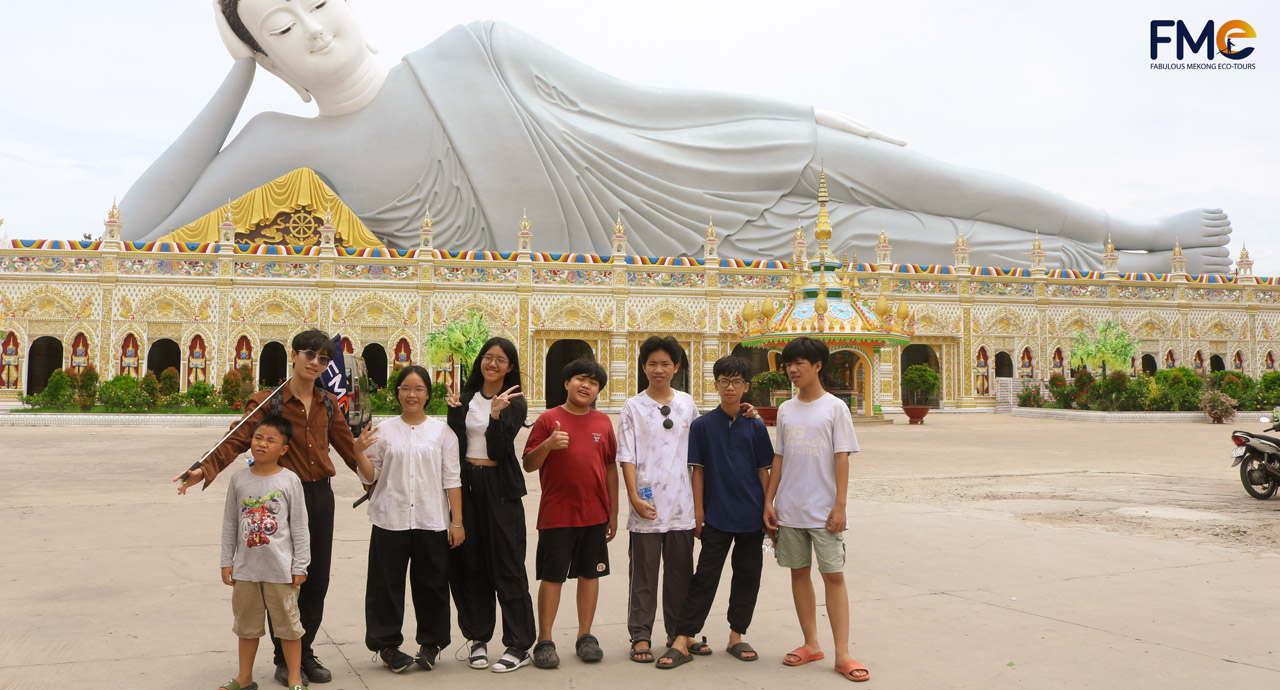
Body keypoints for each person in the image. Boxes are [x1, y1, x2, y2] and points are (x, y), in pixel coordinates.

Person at [117, 1, 1232, 273]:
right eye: (277, 30)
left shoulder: (475, 41)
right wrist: (230, 77)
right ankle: (1145, 267)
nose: (313, 27)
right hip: (649, 258)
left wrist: (792, 120)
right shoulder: (283, 140)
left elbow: (639, 104)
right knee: (932, 250)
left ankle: (1133, 225)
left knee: (926, 176)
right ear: (264, 53)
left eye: (308, 0)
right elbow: (144, 224)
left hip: (691, 159)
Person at [175, 328, 373, 688]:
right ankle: (284, 658)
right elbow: (237, 437)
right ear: (294, 355)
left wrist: (376, 483)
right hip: (280, 500)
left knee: (315, 579)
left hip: (319, 498)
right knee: (282, 580)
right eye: (309, 355)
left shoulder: (328, 403)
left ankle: (303, 651)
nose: (316, 363)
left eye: (324, 359)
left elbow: (350, 450)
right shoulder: (270, 401)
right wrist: (205, 468)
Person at [763, 337, 869, 683]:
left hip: (824, 511)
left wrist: (840, 505)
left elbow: (842, 459)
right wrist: (769, 500)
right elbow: (779, 457)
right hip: (790, 508)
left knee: (834, 576)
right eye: (788, 365)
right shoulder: (786, 410)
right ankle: (811, 643)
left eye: (799, 364)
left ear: (818, 366)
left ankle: (843, 653)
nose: (792, 370)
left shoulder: (835, 408)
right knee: (798, 572)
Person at [658, 355, 774, 669]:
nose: (730, 388)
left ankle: (737, 635)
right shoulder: (702, 426)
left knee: (748, 576)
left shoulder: (755, 425)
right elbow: (699, 471)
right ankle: (683, 637)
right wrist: (699, 512)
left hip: (751, 515)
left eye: (737, 382)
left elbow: (765, 470)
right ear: (716, 385)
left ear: (746, 387)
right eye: (724, 381)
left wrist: (767, 507)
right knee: (705, 577)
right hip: (717, 515)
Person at [355, 365, 463, 673]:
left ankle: (431, 644)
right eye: (405, 388)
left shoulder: (442, 433)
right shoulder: (384, 431)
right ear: (397, 393)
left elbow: (451, 479)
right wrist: (357, 451)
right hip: (391, 517)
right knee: (385, 585)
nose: (411, 395)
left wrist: (457, 522)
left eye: (418, 389)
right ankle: (386, 645)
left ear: (428, 394)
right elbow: (372, 476)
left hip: (432, 518)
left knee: (432, 584)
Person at [444, 337, 537, 673]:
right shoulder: (466, 398)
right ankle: (478, 637)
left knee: (508, 565)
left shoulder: (515, 401)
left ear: (510, 367)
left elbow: (499, 450)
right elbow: (454, 446)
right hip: (467, 486)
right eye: (488, 357)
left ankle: (518, 643)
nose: (493, 364)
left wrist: (497, 415)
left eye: (501, 359)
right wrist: (454, 413)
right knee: (471, 564)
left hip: (499, 488)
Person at [522, 358, 618, 669]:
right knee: (553, 577)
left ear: (598, 390)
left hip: (594, 514)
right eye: (580, 379)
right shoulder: (548, 419)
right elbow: (529, 463)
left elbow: (609, 468)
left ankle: (585, 636)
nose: (586, 386)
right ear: (566, 383)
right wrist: (548, 444)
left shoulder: (603, 423)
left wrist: (612, 513)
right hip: (557, 514)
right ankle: (545, 640)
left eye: (594, 383)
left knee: (591, 575)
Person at [214, 415, 311, 690]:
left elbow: (300, 527)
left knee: (289, 627)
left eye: (271, 440)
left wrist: (300, 565)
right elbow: (230, 522)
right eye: (258, 438)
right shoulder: (239, 479)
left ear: (283, 448)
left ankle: (295, 678)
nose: (263, 444)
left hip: (281, 570)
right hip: (245, 569)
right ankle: (245, 677)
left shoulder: (289, 480)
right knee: (246, 626)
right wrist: (225, 560)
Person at [616, 336, 698, 663]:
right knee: (644, 575)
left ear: (676, 367)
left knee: (680, 573)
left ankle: (678, 633)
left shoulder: (687, 404)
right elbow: (626, 456)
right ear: (643, 366)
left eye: (665, 363)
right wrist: (633, 497)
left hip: (681, 505)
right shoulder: (633, 407)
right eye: (652, 363)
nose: (658, 370)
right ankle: (640, 634)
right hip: (646, 506)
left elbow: (700, 452)